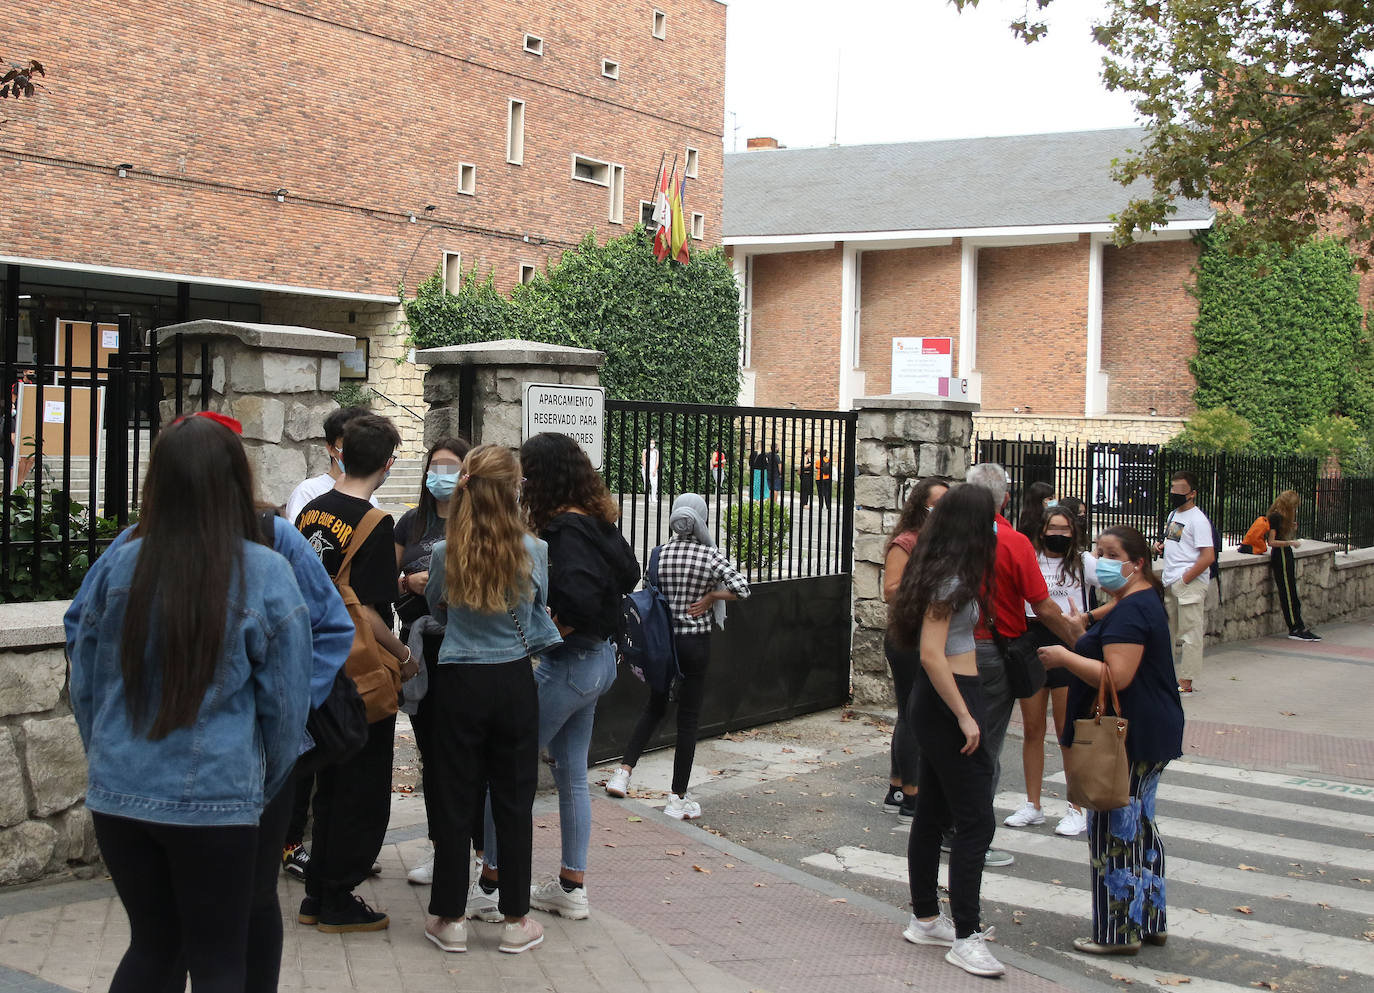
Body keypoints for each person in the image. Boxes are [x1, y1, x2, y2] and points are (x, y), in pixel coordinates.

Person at [68, 414, 357, 993]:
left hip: (121, 790)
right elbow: (283, 708)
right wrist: (265, 779)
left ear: (158, 482)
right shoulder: (265, 572)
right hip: (220, 797)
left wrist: (105, 748)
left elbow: (84, 671)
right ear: (235, 478)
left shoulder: (120, 562)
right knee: (222, 957)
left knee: (152, 947)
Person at [479, 433, 640, 921]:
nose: (523, 483)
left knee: (506, 767)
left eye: (528, 473)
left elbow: (580, 598)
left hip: (569, 663)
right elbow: (631, 574)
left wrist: (552, 628)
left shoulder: (566, 529)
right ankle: (571, 888)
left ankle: (491, 884)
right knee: (571, 776)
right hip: (598, 663)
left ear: (543, 477)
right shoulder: (598, 520)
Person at [423, 444, 562, 955]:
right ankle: (515, 919)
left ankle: (450, 917)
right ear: (513, 489)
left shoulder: (444, 551)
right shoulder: (536, 551)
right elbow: (539, 608)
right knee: (513, 799)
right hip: (513, 678)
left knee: (455, 797)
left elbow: (435, 604)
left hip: (459, 678)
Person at [1039, 526, 1184, 955]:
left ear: (1135, 563)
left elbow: (1116, 677)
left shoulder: (1130, 612)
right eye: (1097, 550)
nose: (1100, 559)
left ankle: (1118, 932)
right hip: (1151, 729)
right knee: (1140, 824)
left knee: (1114, 828)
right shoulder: (1136, 601)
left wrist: (1065, 655)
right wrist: (1081, 626)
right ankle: (1149, 919)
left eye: (1110, 553)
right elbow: (1107, 622)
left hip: (1128, 735)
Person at [295, 413, 415, 934]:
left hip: (317, 664)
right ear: (388, 464)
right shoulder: (375, 522)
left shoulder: (311, 511)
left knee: (330, 781)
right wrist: (404, 656)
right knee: (362, 787)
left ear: (340, 453)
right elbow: (368, 611)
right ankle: (338, 897)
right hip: (359, 670)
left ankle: (316, 893)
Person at [888, 483, 1004, 979]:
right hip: (949, 696)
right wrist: (964, 714)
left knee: (933, 811)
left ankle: (926, 918)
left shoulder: (937, 569)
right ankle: (966, 935)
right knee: (976, 820)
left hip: (941, 698)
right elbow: (932, 652)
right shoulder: (951, 579)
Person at [964, 462, 1084, 868]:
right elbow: (1044, 606)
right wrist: (1079, 642)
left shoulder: (947, 535)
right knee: (991, 744)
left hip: (950, 651)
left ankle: (949, 826)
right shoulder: (1014, 544)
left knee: (957, 740)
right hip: (1003, 648)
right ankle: (977, 834)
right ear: (1006, 499)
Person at [605, 494, 751, 819]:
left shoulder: (660, 554)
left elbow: (647, 592)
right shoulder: (709, 555)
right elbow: (743, 588)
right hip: (695, 644)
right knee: (688, 719)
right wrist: (712, 595)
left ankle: (622, 773)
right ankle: (677, 798)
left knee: (655, 706)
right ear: (702, 518)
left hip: (663, 645)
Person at [394, 437, 471, 887]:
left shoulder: (476, 525)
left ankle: (474, 850)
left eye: (451, 466)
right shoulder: (411, 522)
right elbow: (385, 581)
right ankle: (440, 844)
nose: (440, 474)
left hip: (461, 648)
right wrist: (408, 581)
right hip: (417, 652)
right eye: (434, 465)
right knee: (430, 751)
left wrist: (441, 585)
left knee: (459, 752)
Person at [1003, 507, 1100, 838]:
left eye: (1065, 528)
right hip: (1032, 638)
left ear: (1073, 532)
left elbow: (1121, 588)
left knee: (1066, 729)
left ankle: (1076, 807)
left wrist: (1089, 617)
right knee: (1032, 728)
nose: (1058, 533)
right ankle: (1033, 804)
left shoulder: (1084, 562)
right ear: (1042, 530)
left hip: (1067, 641)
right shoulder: (1030, 555)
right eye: (1053, 527)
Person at [881, 476, 950, 821]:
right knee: (913, 713)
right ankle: (911, 795)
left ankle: (897, 785)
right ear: (920, 506)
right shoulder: (906, 542)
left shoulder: (941, 543)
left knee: (911, 712)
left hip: (929, 633)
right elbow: (890, 590)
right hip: (907, 635)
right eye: (936, 504)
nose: (941, 511)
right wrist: (927, 586)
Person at [1153, 471, 1214, 695]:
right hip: (1171, 580)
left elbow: (1208, 556)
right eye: (1173, 489)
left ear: (1192, 494)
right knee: (1166, 632)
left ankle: (1186, 680)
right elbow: (1176, 542)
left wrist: (1185, 579)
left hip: (1187, 583)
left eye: (1180, 490)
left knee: (1190, 633)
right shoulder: (1173, 515)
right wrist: (1162, 547)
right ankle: (1167, 676)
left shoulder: (1198, 520)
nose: (1174, 494)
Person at [284, 406, 378, 522]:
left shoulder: (371, 500)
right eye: (349, 444)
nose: (357, 451)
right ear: (331, 448)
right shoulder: (308, 492)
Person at [1261, 490, 1321, 642]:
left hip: (1286, 553)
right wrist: (1290, 542)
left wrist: (1291, 531)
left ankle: (1299, 625)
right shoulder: (1275, 516)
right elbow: (1272, 542)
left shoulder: (1285, 517)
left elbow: (1283, 537)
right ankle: (1294, 627)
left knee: (1292, 591)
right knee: (1287, 592)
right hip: (1280, 554)